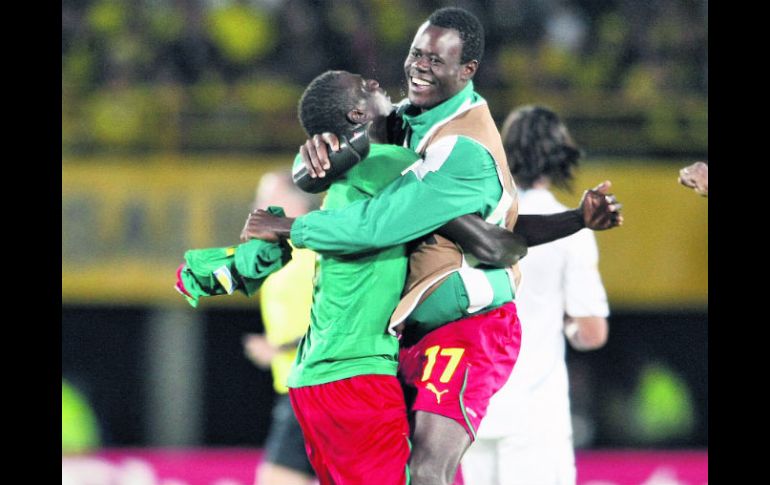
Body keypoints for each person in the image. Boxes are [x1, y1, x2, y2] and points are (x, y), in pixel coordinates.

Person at [242, 7, 622, 485]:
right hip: (411, 330)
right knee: (394, 468)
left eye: (435, 60)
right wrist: (312, 157)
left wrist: (293, 229)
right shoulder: (411, 120)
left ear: (468, 70)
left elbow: (380, 225)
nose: (419, 67)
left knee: (426, 468)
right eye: (415, 53)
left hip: (468, 329)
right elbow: (496, 238)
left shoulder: (462, 149)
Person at [460, 106, 610, 485]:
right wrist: (568, 328)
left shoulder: (475, 222)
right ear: (561, 155)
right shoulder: (572, 227)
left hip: (474, 406)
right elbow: (591, 333)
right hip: (535, 415)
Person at [241, 171, 319, 485]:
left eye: (267, 200)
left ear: (296, 204)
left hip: (313, 387)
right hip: (298, 388)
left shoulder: (316, 254)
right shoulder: (286, 255)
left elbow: (339, 322)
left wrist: (279, 348)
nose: (258, 208)